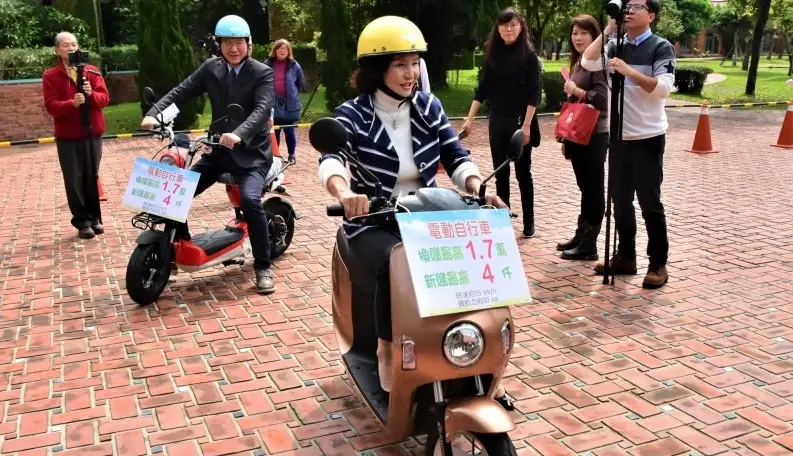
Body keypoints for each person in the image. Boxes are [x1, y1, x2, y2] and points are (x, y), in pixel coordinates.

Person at [317, 16, 513, 406]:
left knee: (472, 262)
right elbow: (331, 158)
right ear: (377, 69)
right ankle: (387, 351)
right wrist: (344, 192)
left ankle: (482, 358)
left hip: (424, 212)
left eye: (414, 63)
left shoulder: (427, 105)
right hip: (373, 217)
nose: (411, 74)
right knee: (394, 266)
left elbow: (454, 154)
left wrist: (477, 187)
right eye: (399, 65)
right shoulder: (353, 114)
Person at [140, 15, 278, 294]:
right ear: (220, 45)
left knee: (251, 201)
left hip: (251, 155)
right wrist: (154, 114)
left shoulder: (262, 72)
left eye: (239, 42)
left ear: (249, 44)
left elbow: (262, 108)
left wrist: (240, 133)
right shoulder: (211, 68)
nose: (233, 48)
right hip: (218, 153)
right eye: (227, 42)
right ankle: (180, 245)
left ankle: (263, 266)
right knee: (174, 190)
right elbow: (181, 92)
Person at [581, 0, 674, 289]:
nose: (629, 11)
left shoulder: (661, 47)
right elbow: (587, 61)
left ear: (652, 15)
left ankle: (658, 263)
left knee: (650, 204)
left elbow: (662, 88)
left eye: (637, 6)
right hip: (618, 136)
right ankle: (625, 256)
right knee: (620, 202)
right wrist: (608, 31)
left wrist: (628, 71)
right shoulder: (615, 44)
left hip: (647, 137)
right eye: (627, 6)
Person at [460, 7, 542, 238]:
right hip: (497, 120)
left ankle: (529, 220)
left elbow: (534, 92)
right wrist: (469, 119)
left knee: (523, 173)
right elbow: (482, 89)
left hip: (520, 121)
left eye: (514, 24)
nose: (509, 29)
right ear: (497, 28)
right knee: (501, 173)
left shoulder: (529, 57)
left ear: (521, 27)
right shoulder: (493, 56)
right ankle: (502, 218)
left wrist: (526, 125)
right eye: (505, 25)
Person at [42, 32, 110, 240]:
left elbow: (105, 98)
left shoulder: (91, 71)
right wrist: (70, 103)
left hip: (92, 132)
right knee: (74, 178)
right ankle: (82, 221)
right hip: (68, 135)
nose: (70, 48)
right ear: (57, 50)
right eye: (65, 45)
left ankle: (95, 218)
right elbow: (51, 105)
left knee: (92, 174)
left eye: (73, 44)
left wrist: (91, 94)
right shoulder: (51, 75)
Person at [556, 15, 609, 261]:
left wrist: (575, 90)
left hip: (595, 135)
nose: (577, 38)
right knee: (584, 188)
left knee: (593, 190)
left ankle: (590, 244)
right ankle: (581, 235)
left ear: (595, 35)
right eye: (574, 33)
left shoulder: (598, 62)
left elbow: (601, 100)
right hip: (578, 135)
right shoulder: (579, 62)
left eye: (583, 33)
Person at [265, 39, 305, 165]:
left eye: (285, 49)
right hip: (272, 103)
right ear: (275, 50)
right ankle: (276, 157)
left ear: (289, 52)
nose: (282, 51)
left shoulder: (294, 65)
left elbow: (300, 82)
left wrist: (292, 93)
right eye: (280, 48)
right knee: (274, 130)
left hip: (290, 104)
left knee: (289, 131)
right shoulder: (268, 64)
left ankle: (291, 156)